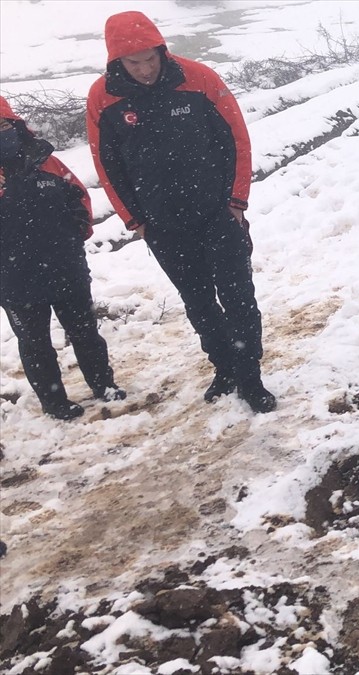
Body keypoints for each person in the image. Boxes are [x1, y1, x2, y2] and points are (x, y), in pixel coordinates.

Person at [86, 11, 275, 413]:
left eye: (150, 59)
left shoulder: (199, 78)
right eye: (133, 63)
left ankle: (249, 375)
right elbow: (107, 164)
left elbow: (236, 139)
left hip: (218, 215)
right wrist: (134, 220)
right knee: (198, 301)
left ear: (161, 50)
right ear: (116, 62)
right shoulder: (103, 98)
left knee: (239, 297)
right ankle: (224, 367)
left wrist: (237, 202)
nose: (144, 69)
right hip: (163, 225)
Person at [0, 96, 125, 420]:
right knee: (34, 343)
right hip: (13, 279)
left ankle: (104, 386)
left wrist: (75, 233)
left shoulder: (43, 159)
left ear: (15, 125)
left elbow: (78, 196)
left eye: (3, 125)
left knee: (85, 331)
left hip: (64, 267)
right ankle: (54, 403)